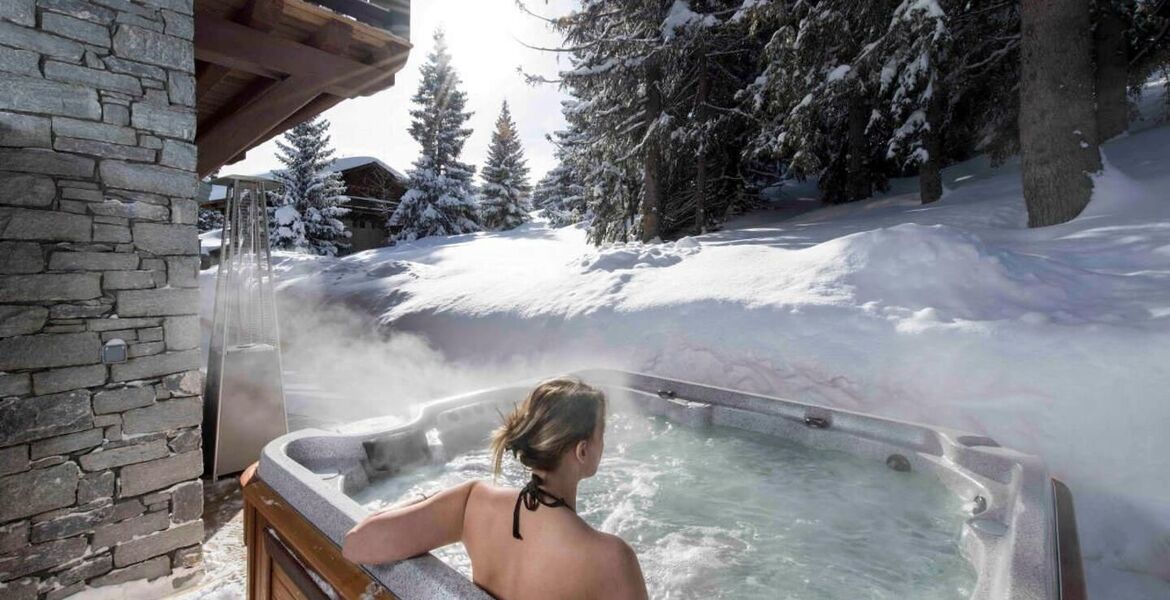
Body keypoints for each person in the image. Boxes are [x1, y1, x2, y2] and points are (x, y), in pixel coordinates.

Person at [342, 377, 648, 600]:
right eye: (601, 433)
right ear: (582, 451)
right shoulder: (610, 558)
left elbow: (357, 544)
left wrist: (434, 500)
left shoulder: (475, 502)